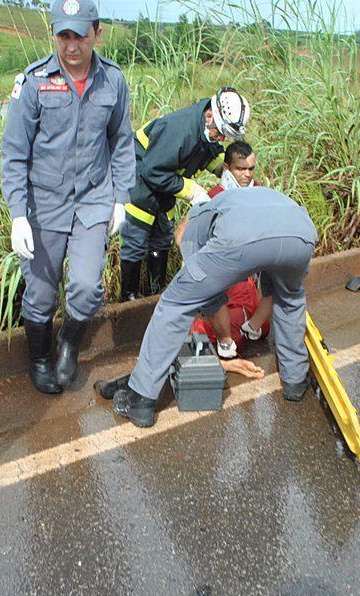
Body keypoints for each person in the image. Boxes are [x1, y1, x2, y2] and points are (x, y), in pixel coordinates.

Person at [1, 0, 136, 395]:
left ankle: (68, 346)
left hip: (94, 199)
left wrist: (120, 200)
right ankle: (40, 359)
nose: (72, 45)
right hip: (44, 204)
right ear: (55, 35)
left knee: (87, 286)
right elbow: (13, 153)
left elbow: (121, 142)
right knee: (41, 293)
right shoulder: (34, 81)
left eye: (79, 35)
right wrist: (17, 214)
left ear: (97, 32)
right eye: (64, 35)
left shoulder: (113, 81)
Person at [112, 187, 317, 428]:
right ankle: (294, 381)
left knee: (175, 303)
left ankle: (141, 399)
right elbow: (271, 276)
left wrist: (220, 330)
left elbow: (203, 290)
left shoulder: (196, 220)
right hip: (301, 234)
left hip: (240, 239)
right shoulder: (235, 200)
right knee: (289, 299)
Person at [119, 88, 251, 301]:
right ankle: (128, 300)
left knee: (162, 239)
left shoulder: (206, 128)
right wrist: (191, 191)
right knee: (135, 242)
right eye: (221, 132)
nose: (221, 138)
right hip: (139, 181)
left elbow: (205, 150)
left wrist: (225, 171)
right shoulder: (179, 129)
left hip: (163, 185)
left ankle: (155, 295)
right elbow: (152, 171)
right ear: (210, 115)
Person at [192, 141, 268, 359]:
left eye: (250, 169)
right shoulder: (212, 197)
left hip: (246, 280)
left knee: (248, 326)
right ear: (227, 168)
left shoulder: (259, 192)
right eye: (240, 169)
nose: (246, 175)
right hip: (225, 276)